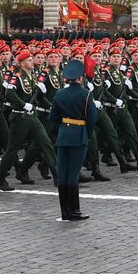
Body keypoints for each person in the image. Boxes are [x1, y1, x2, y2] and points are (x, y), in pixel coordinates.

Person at [50, 58, 97, 221]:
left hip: (63, 134)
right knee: (73, 174)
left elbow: (53, 117)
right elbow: (91, 119)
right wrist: (87, 134)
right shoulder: (86, 94)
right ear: (81, 78)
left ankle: (64, 211)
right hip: (79, 135)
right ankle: (74, 210)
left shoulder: (59, 93)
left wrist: (65, 126)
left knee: (63, 173)